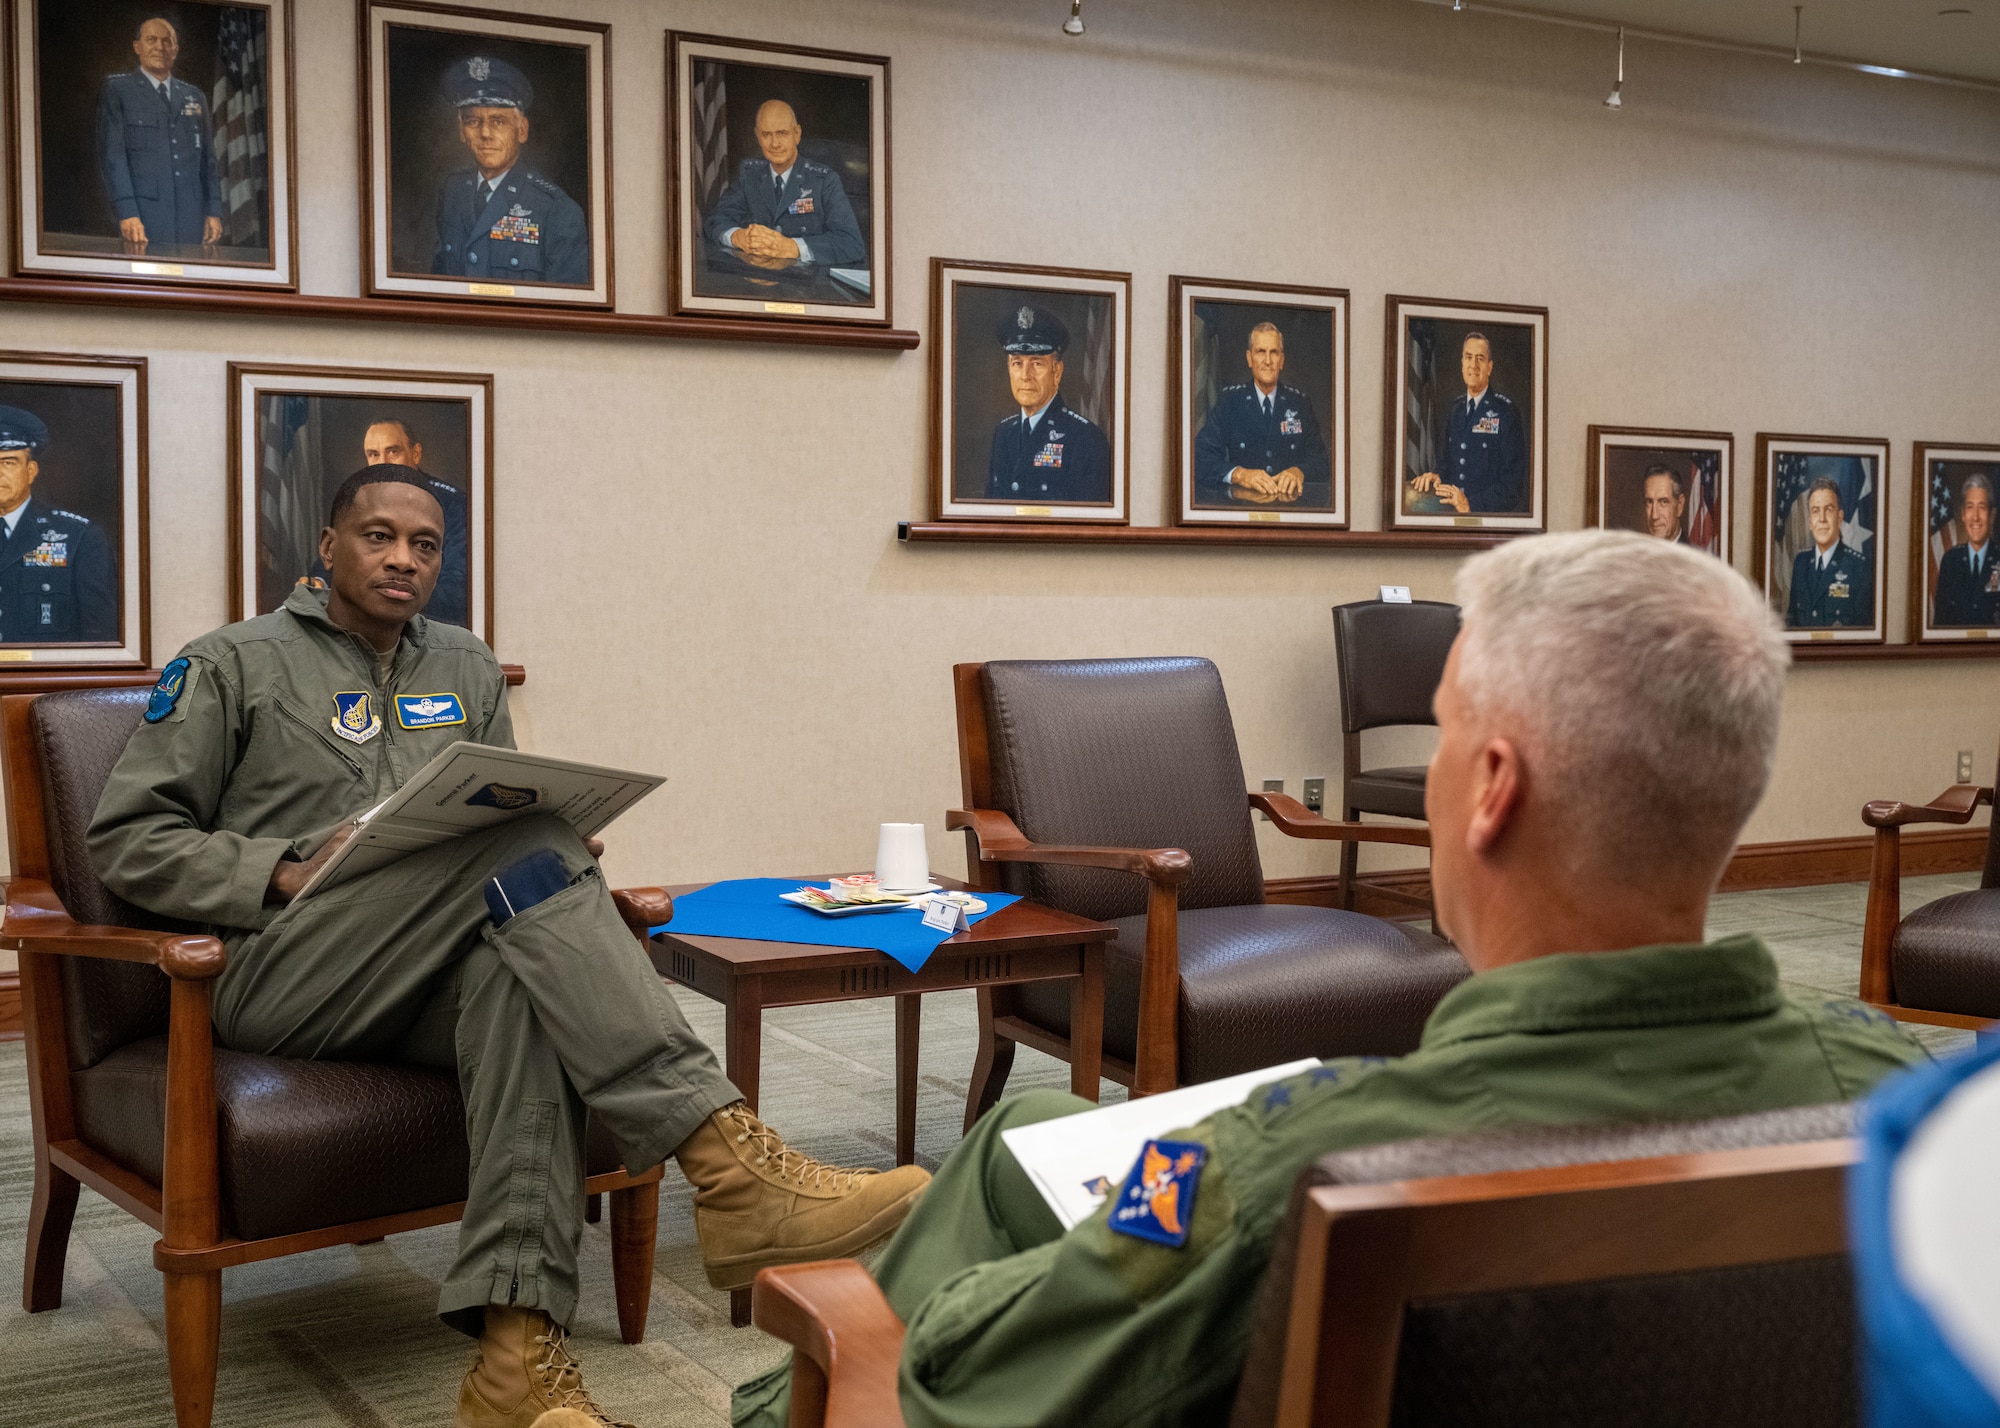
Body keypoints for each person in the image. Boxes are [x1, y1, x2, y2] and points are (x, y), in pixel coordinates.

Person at [733, 528, 1929, 1428]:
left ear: (1494, 788)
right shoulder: (1904, 1104)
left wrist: (890, 1323)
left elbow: (965, 1390)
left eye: (1446, 730)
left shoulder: (1300, 1166)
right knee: (1037, 1124)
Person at [88, 465, 928, 1428]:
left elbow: (496, 810)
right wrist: (280, 866)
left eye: (426, 545)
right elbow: (127, 841)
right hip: (284, 972)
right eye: (378, 537)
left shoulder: (464, 663)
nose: (404, 559)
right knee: (528, 846)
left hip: (436, 964)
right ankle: (730, 1166)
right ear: (326, 549)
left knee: (520, 979)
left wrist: (552, 843)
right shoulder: (232, 663)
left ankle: (515, 1368)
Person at [431, 57, 588, 287]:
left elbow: (568, 310)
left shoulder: (557, 211)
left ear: (522, 130)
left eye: (498, 122)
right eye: (473, 121)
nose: (485, 133)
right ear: (461, 130)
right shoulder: (452, 191)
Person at [303, 420, 470, 628]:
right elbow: (339, 553)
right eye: (373, 454)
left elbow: (457, 590)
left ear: (415, 454)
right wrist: (320, 581)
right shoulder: (357, 500)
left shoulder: (454, 505)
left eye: (392, 451)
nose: (384, 462)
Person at [94, 16, 225, 250]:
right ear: (138, 47)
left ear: (175, 50)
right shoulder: (118, 90)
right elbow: (114, 158)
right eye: (151, 40)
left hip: (191, 219)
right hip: (143, 218)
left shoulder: (194, 96)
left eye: (167, 41)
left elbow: (208, 161)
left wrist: (213, 211)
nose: (160, 47)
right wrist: (127, 211)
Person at [700, 99, 866, 272]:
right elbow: (715, 221)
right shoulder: (749, 175)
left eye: (782, 133)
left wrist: (791, 247)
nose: (775, 144)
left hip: (809, 287)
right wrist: (738, 237)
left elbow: (852, 244)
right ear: (757, 136)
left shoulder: (824, 180)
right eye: (766, 134)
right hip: (755, 280)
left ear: (797, 134)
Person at [0, 405, 118, 644]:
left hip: (45, 678)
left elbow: (100, 638)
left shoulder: (80, 537)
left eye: (8, 462)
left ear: (30, 471)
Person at [983, 304, 1113, 504]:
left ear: (1057, 371)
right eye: (1017, 363)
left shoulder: (1086, 439)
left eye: (1036, 363)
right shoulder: (1003, 433)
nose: (1025, 376)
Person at [1191, 322, 1330, 507]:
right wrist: (1239, 474)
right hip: (1243, 511)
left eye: (1274, 352)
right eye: (1260, 352)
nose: (1267, 361)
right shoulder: (1230, 402)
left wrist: (1300, 471)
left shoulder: (1300, 404)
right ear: (1249, 358)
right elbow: (1199, 455)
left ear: (1282, 360)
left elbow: (1321, 462)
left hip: (1291, 512)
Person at [1408, 332, 1529, 514]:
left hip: (1487, 522)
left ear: (1489, 367)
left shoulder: (1506, 413)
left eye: (1480, 359)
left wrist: (1470, 504)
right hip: (1452, 518)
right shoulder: (1455, 410)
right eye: (1468, 357)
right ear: (1462, 364)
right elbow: (1446, 465)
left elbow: (1512, 487)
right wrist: (1437, 476)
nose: (1473, 365)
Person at [1786, 477, 1874, 628]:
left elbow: (1862, 634)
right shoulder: (1801, 563)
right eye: (1815, 511)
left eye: (1828, 510)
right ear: (1810, 523)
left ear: (1839, 518)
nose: (1822, 519)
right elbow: (1791, 623)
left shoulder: (1859, 567)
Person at [1931, 474, 1997, 627]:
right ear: (1962, 515)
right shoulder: (1950, 561)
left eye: (1982, 508)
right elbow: (1940, 624)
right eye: (1970, 507)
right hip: (1955, 650)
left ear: (1992, 516)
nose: (1975, 517)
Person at [1641, 463, 1688, 542]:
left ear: (1680, 505)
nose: (1654, 516)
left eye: (1663, 502)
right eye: (1649, 502)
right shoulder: (1637, 553)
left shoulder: (1692, 554)